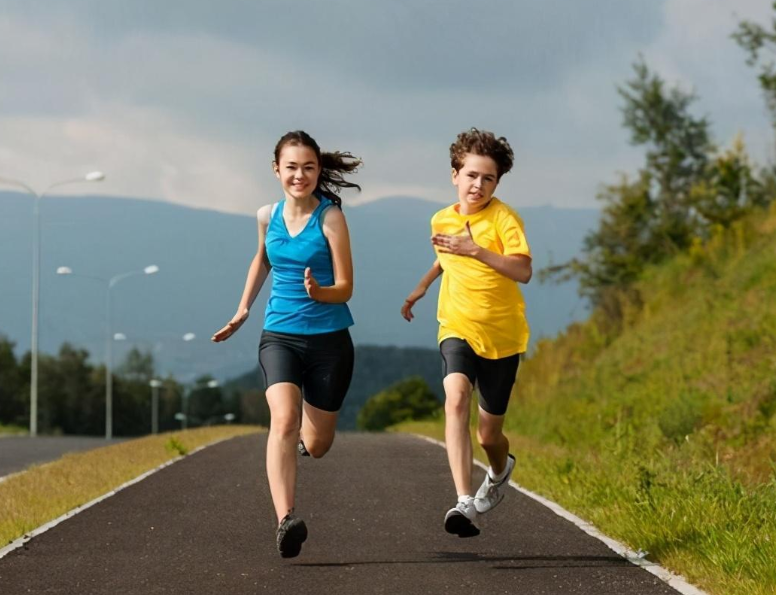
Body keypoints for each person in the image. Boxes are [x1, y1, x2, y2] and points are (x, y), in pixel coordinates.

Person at [212, 130, 360, 558]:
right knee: (283, 419)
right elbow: (262, 259)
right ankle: (286, 518)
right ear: (277, 169)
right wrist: (243, 309)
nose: (300, 175)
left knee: (317, 443)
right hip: (279, 335)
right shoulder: (266, 215)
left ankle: (298, 445)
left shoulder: (330, 218)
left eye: (309, 167)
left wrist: (321, 293)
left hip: (330, 340)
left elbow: (347, 286)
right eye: (291, 167)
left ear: (318, 171)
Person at [401, 128, 532, 538]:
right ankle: (463, 501)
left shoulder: (504, 219)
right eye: (471, 175)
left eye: (488, 178)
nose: (478, 185)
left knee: (488, 433)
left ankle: (498, 471)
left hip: (503, 336)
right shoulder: (441, 218)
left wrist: (478, 250)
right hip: (456, 326)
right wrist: (422, 286)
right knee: (455, 399)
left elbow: (523, 271)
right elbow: (446, 256)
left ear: (497, 183)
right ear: (455, 175)